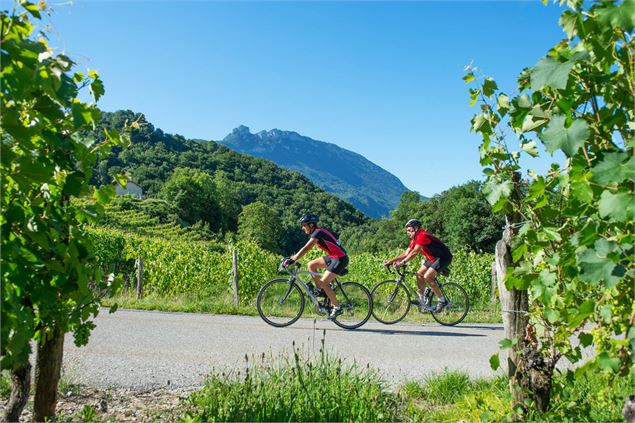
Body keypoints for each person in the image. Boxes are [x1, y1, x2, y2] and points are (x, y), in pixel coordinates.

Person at [282, 213, 349, 319]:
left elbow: (306, 248)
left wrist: (292, 260)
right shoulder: (318, 232)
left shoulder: (318, 233)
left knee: (324, 282)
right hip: (333, 257)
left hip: (340, 258)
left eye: (304, 225)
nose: (302, 228)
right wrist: (291, 258)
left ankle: (337, 307)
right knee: (311, 265)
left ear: (311, 225)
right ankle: (322, 291)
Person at [384, 219, 452, 312]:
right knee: (419, 274)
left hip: (443, 257)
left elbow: (415, 252)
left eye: (409, 230)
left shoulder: (422, 235)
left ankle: (442, 300)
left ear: (416, 228)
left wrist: (402, 263)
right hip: (432, 258)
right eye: (407, 231)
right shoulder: (414, 239)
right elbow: (406, 253)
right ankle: (422, 300)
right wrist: (391, 261)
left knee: (428, 276)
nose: (407, 233)